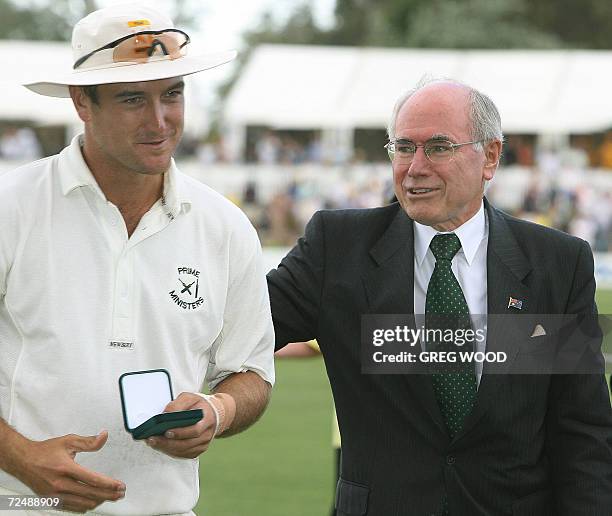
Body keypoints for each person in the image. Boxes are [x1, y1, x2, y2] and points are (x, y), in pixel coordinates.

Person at [267, 79, 612, 515]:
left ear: (490, 157)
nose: (415, 167)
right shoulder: (337, 247)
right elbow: (242, 321)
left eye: (439, 147)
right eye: (404, 147)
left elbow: (584, 434)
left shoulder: (557, 264)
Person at [0, 5, 274, 515]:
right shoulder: (10, 207)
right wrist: (21, 458)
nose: (160, 120)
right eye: (132, 99)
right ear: (83, 102)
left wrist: (218, 410)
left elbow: (252, 373)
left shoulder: (225, 226)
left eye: (173, 94)